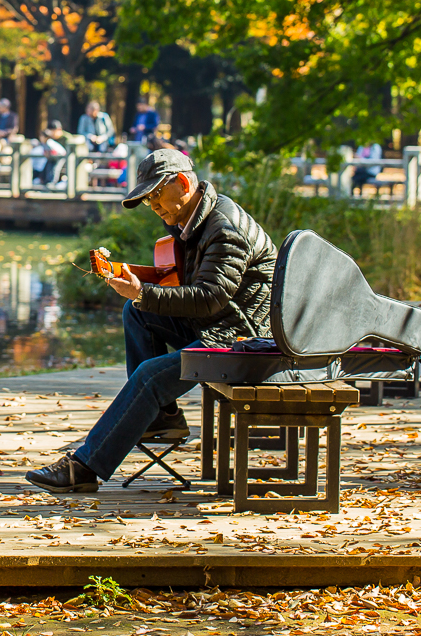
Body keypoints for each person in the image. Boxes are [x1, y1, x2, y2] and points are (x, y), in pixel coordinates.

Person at [24, 147, 278, 493]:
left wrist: (143, 291)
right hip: (220, 327)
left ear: (185, 183)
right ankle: (164, 417)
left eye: (157, 193)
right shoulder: (190, 220)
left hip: (246, 342)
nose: (154, 204)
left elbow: (210, 296)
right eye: (148, 199)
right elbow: (192, 289)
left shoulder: (224, 227)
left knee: (149, 376)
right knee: (137, 312)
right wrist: (139, 290)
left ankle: (84, 468)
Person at [29, 121, 68, 187]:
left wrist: (49, 154)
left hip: (59, 156)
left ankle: (52, 183)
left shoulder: (50, 142)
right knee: (47, 168)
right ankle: (46, 182)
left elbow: (57, 152)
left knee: (54, 169)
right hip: (51, 158)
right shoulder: (44, 143)